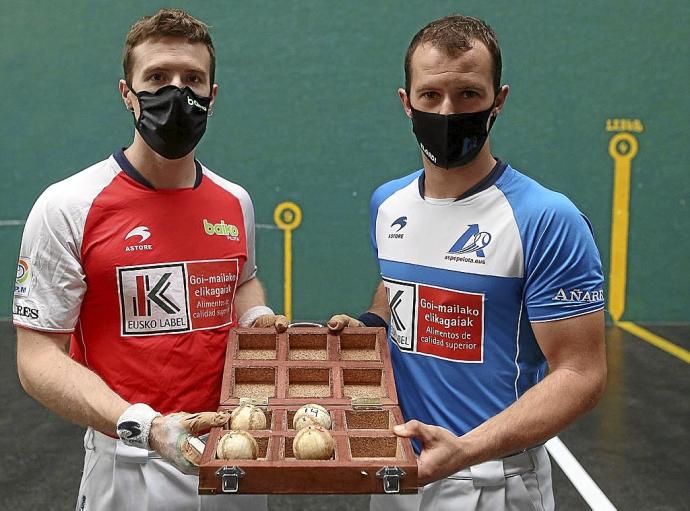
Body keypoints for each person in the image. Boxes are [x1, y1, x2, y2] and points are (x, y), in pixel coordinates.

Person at [328, 14, 607, 511]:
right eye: (431, 96)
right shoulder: (387, 203)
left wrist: (466, 450)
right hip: (399, 469)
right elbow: (396, 283)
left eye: (469, 95)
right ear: (406, 102)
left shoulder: (546, 218)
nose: (448, 111)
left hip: (493, 479)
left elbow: (582, 374)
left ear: (498, 100)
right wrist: (372, 323)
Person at [13, 9, 286, 511]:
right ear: (127, 93)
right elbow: (36, 359)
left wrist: (257, 318)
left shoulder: (234, 201)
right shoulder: (68, 206)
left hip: (233, 452)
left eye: (193, 80)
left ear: (212, 96)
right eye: (157, 77)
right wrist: (146, 426)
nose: (177, 93)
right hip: (129, 461)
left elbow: (242, 279)